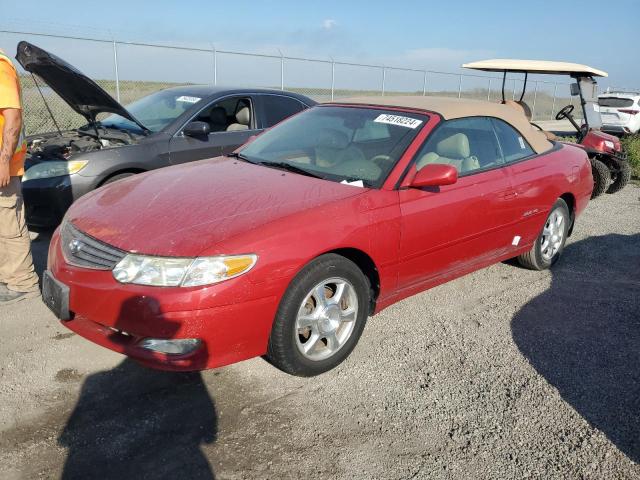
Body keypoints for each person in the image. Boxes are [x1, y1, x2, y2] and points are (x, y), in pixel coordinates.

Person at [0, 48, 39, 304]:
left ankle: (24, 283)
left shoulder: (0, 67)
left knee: (10, 222)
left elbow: (12, 118)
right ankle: (8, 275)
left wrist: (3, 162)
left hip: (4, 165)